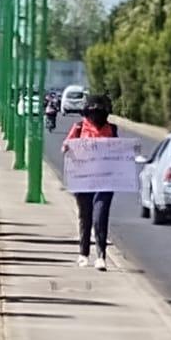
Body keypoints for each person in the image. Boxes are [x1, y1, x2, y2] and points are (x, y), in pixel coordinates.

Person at [62, 93, 118, 271]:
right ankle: (83, 253)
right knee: (85, 217)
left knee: (100, 217)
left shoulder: (112, 129)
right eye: (93, 112)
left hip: (104, 181)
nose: (96, 116)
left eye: (100, 112)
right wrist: (68, 148)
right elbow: (66, 146)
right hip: (83, 180)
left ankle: (101, 256)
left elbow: (120, 151)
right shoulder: (79, 128)